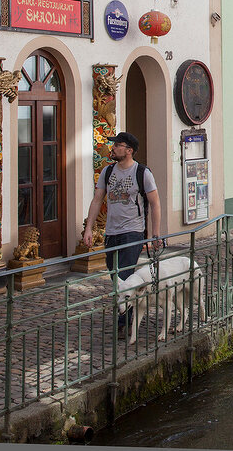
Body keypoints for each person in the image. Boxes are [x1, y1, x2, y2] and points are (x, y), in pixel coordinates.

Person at [82, 132, 161, 328]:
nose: (114, 148)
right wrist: (89, 228)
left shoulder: (142, 173)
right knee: (115, 275)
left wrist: (153, 235)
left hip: (133, 231)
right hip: (111, 232)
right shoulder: (108, 172)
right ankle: (129, 305)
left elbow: (155, 203)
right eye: (114, 145)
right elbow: (97, 199)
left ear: (129, 150)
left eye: (118, 145)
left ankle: (123, 319)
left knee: (125, 274)